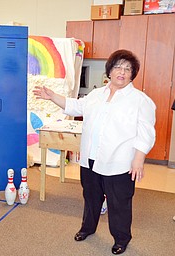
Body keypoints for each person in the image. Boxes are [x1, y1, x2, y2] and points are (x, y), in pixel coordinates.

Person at [33, 49, 156, 255]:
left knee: (119, 203)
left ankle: (121, 239)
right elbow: (76, 107)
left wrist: (138, 159)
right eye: (118, 67)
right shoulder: (97, 94)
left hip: (120, 162)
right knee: (91, 197)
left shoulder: (140, 100)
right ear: (110, 70)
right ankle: (87, 228)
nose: (122, 72)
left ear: (133, 74)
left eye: (128, 69)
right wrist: (52, 96)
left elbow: (146, 134)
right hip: (90, 159)